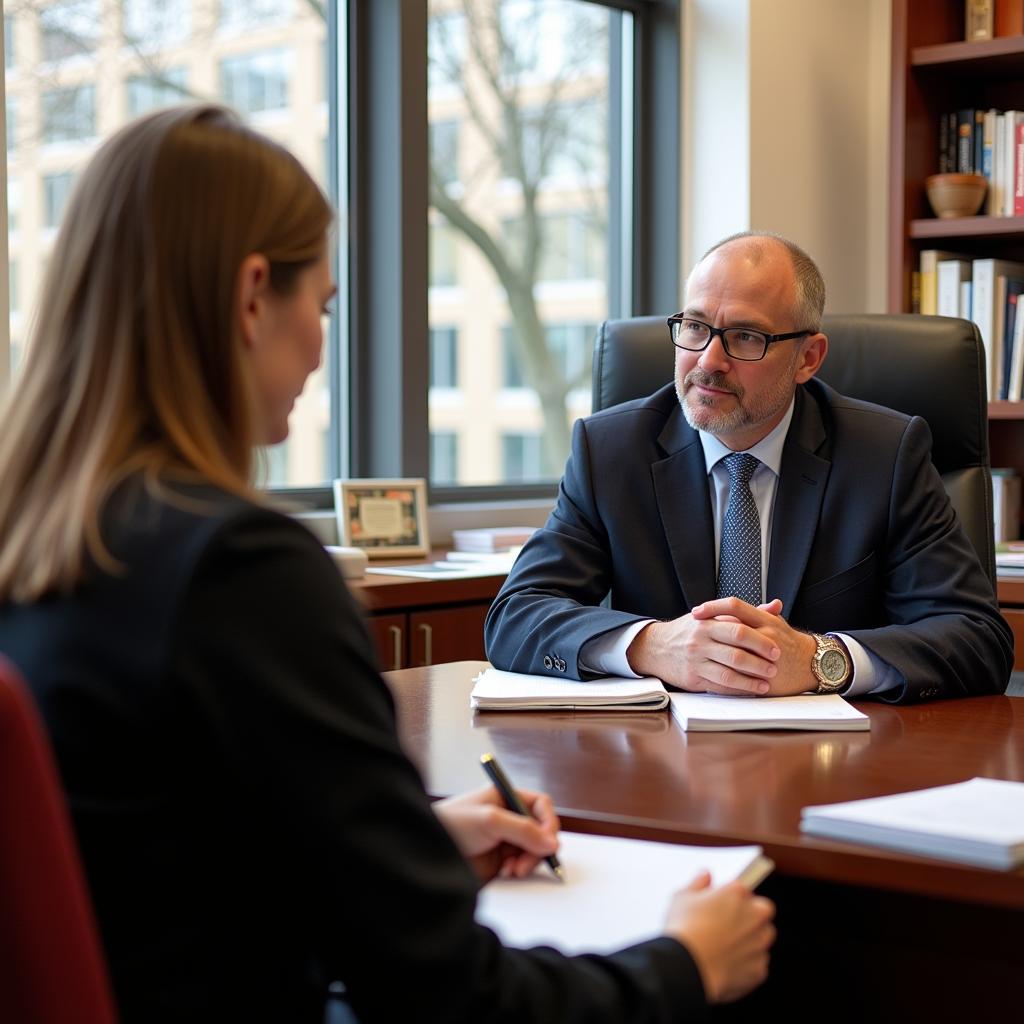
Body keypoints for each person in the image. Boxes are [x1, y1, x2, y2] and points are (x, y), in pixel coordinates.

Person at [0, 106, 775, 1023]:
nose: (323, 350)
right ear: (253, 295)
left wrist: (415, 848)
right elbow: (449, 999)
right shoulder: (240, 570)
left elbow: (154, 862)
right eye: (321, 307)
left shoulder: (42, 545)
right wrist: (682, 965)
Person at [485, 232, 1013, 704]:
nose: (709, 360)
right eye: (695, 327)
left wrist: (817, 660)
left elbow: (975, 637)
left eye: (745, 337)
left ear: (808, 358)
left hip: (839, 768)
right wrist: (652, 645)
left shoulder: (885, 454)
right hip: (660, 766)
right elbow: (516, 616)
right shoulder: (611, 450)